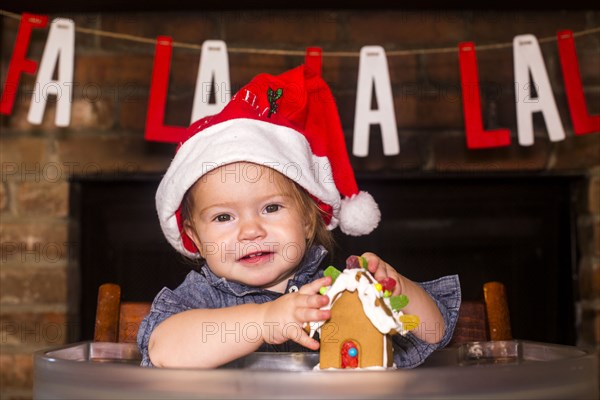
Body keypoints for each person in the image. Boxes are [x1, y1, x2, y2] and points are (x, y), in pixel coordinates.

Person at [137, 64, 461, 368]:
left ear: (309, 220)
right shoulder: (201, 297)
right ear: (194, 237)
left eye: (271, 208)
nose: (251, 231)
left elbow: (435, 332)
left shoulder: (333, 293)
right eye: (224, 217)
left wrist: (395, 289)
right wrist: (265, 321)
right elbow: (162, 348)